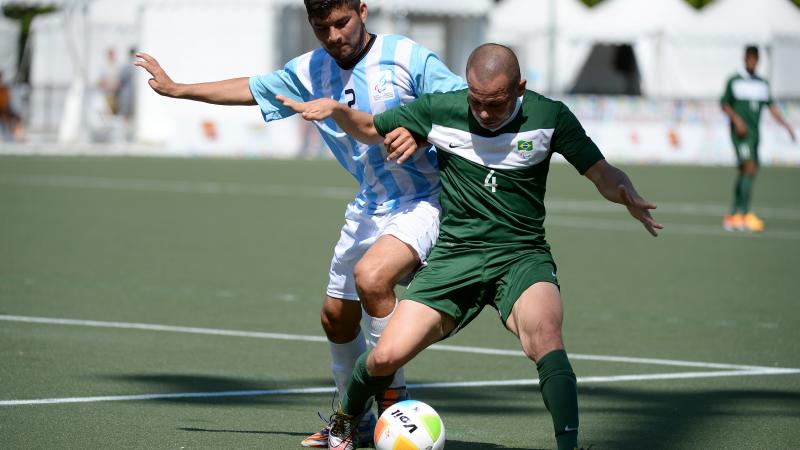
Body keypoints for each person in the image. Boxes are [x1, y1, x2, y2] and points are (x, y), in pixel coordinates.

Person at [279, 43, 662, 450]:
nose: (483, 113)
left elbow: (601, 171)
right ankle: (343, 425)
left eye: (494, 104)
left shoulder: (550, 116)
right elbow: (372, 128)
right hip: (454, 258)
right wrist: (340, 113)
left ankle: (569, 445)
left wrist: (624, 191)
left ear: (520, 87)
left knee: (547, 336)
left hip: (521, 257)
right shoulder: (440, 109)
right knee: (385, 356)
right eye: (476, 102)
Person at [133, 1, 464, 447]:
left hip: (424, 198)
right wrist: (178, 89)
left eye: (342, 23)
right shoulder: (309, 71)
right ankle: (359, 420)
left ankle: (392, 402)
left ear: (363, 10)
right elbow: (251, 88)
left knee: (373, 277)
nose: (333, 36)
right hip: (369, 203)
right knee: (335, 320)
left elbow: (461, 102)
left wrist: (422, 130)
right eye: (321, 27)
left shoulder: (407, 57)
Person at [721, 45, 796, 232]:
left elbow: (771, 107)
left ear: (758, 60)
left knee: (747, 171)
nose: (752, 61)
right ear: (744, 58)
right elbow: (724, 103)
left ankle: (733, 215)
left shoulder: (763, 83)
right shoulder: (734, 80)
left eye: (755, 58)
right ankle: (744, 215)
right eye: (749, 58)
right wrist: (737, 120)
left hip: (754, 135)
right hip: (741, 134)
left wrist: (786, 126)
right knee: (749, 168)